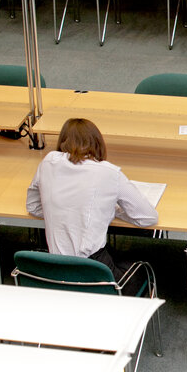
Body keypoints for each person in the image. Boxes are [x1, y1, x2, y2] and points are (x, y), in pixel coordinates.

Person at [26, 118, 158, 294]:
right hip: (93, 270)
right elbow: (148, 217)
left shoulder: (48, 162)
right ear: (98, 143)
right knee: (143, 271)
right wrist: (114, 212)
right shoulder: (108, 173)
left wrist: (62, 211)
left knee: (115, 256)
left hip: (55, 270)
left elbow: (33, 206)